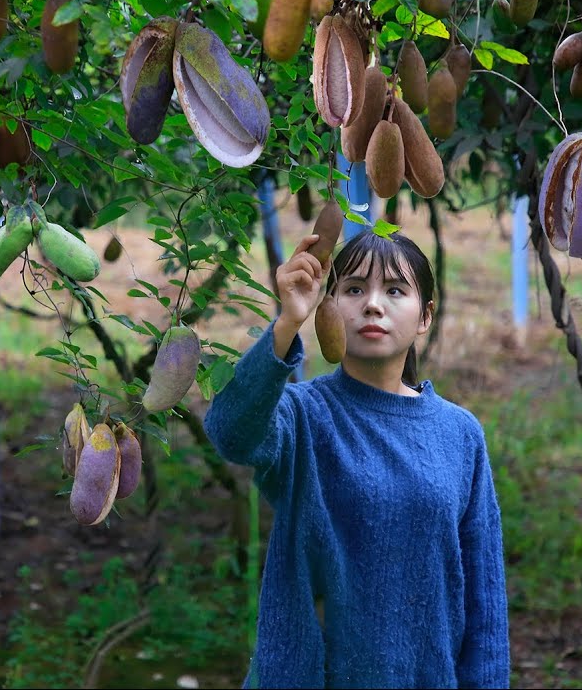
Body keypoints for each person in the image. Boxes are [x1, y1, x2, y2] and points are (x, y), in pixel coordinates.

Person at [204, 229, 510, 689]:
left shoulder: (459, 433)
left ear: (425, 315)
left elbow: (484, 599)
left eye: (394, 290)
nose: (372, 304)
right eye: (353, 289)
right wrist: (286, 324)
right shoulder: (302, 414)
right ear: (330, 306)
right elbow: (230, 432)